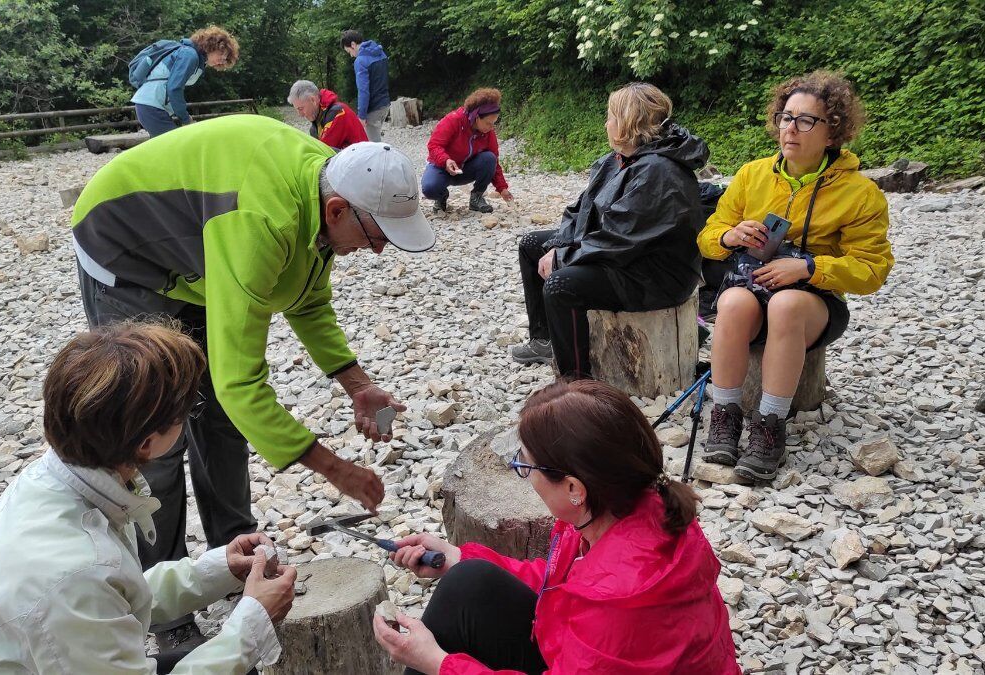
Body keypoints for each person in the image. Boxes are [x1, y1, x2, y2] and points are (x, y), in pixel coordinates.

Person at [70, 115, 434, 649]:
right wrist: (335, 469)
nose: (379, 251)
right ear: (338, 210)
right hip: (128, 250)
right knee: (157, 440)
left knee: (218, 420)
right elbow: (244, 383)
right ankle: (163, 612)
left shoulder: (322, 190)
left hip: (198, 251)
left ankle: (235, 560)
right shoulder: (261, 223)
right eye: (377, 235)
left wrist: (357, 384)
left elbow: (306, 296)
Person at [0, 323, 296, 674]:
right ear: (146, 443)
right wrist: (253, 622)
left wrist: (217, 570)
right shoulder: (78, 573)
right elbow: (90, 586)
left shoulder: (52, 482)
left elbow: (119, 595)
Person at [370, 380, 740, 674]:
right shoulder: (623, 506)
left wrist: (438, 663)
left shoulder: (617, 600)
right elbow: (563, 585)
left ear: (574, 488)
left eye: (525, 466)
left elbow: (592, 599)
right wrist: (457, 557)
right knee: (469, 581)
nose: (522, 474)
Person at [698, 71, 894, 481]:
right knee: (731, 302)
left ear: (832, 132)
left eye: (806, 120)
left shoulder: (859, 193)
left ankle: (769, 426)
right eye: (787, 117)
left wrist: (810, 267)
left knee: (786, 304)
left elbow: (873, 270)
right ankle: (726, 414)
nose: (791, 128)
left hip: (813, 301)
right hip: (753, 287)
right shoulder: (752, 174)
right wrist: (731, 236)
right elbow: (707, 238)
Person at [510, 83, 706, 377]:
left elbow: (622, 237)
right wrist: (558, 244)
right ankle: (545, 340)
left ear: (630, 122)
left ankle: (577, 381)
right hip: (622, 255)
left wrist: (563, 257)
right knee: (531, 245)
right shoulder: (617, 160)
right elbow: (579, 211)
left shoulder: (659, 171)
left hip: (652, 273)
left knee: (561, 285)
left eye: (612, 116)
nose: (606, 123)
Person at [130, 26, 240, 137]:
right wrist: (185, 118)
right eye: (221, 54)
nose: (222, 60)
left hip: (152, 107)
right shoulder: (190, 55)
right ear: (212, 46)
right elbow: (174, 88)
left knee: (168, 149)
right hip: (151, 106)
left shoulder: (193, 58)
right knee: (176, 147)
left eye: (225, 58)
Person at [423, 88, 514, 214]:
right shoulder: (453, 120)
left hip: (465, 170)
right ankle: (441, 196)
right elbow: (434, 145)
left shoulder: (488, 132)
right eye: (489, 123)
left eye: (494, 123)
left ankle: (476, 197)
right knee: (429, 189)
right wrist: (446, 160)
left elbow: (495, 162)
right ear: (477, 118)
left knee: (489, 158)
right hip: (443, 167)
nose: (492, 127)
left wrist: (502, 188)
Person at [288, 79, 369, 150]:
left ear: (313, 100)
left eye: (301, 109)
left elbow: (323, 152)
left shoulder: (338, 113)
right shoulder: (318, 118)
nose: (300, 115)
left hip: (362, 163)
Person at [341, 30, 391, 142]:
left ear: (353, 45)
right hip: (385, 103)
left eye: (349, 51)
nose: (350, 55)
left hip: (373, 108)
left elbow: (363, 90)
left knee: (373, 146)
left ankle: (384, 159)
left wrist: (362, 115)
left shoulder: (360, 61)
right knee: (376, 139)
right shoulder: (380, 53)